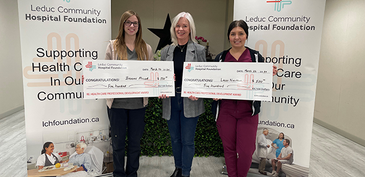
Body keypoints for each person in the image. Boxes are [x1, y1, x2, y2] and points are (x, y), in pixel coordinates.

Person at [212, 20, 277, 177]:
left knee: (247, 151)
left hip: (248, 112)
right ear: (228, 36)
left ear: (246, 35)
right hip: (225, 111)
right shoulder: (221, 58)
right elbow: (213, 82)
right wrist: (213, 93)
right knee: (229, 149)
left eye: (240, 33)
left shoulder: (255, 57)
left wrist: (269, 73)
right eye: (233, 34)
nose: (237, 37)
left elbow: (262, 81)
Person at [105, 10, 153, 177]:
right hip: (117, 104)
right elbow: (105, 73)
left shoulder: (146, 48)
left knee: (134, 144)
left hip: (138, 105)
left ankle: (132, 173)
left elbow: (151, 74)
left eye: (135, 23)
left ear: (139, 26)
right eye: (128, 22)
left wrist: (162, 82)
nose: (132, 26)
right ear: (122, 25)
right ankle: (118, 174)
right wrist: (92, 78)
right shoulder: (113, 46)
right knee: (118, 143)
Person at [159, 12, 206, 177]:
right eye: (178, 26)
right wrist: (162, 86)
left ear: (190, 28)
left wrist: (198, 91)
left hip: (190, 101)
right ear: (174, 28)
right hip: (171, 101)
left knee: (187, 140)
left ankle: (186, 172)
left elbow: (204, 77)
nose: (181, 29)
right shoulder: (166, 51)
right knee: (175, 139)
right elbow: (160, 77)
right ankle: (178, 168)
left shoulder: (199, 50)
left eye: (184, 26)